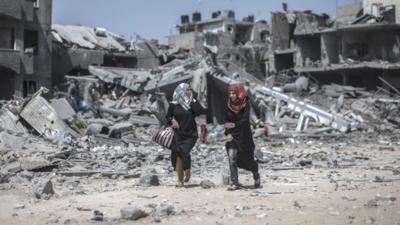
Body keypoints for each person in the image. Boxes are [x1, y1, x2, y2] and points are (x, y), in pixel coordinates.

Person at [166, 83, 206, 187]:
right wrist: (172, 120)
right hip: (178, 134)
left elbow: (200, 111)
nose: (189, 91)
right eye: (187, 90)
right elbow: (167, 117)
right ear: (180, 91)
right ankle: (184, 173)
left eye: (190, 90)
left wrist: (193, 99)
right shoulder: (173, 104)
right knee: (178, 155)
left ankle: (183, 176)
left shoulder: (191, 103)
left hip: (190, 135)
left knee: (182, 153)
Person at [224, 82, 260, 190]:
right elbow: (226, 121)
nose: (231, 95)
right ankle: (235, 183)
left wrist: (234, 124)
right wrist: (227, 133)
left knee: (248, 160)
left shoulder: (245, 103)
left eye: (233, 93)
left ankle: (256, 174)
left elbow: (245, 120)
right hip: (232, 136)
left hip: (244, 137)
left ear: (238, 93)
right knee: (232, 158)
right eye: (230, 93)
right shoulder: (228, 104)